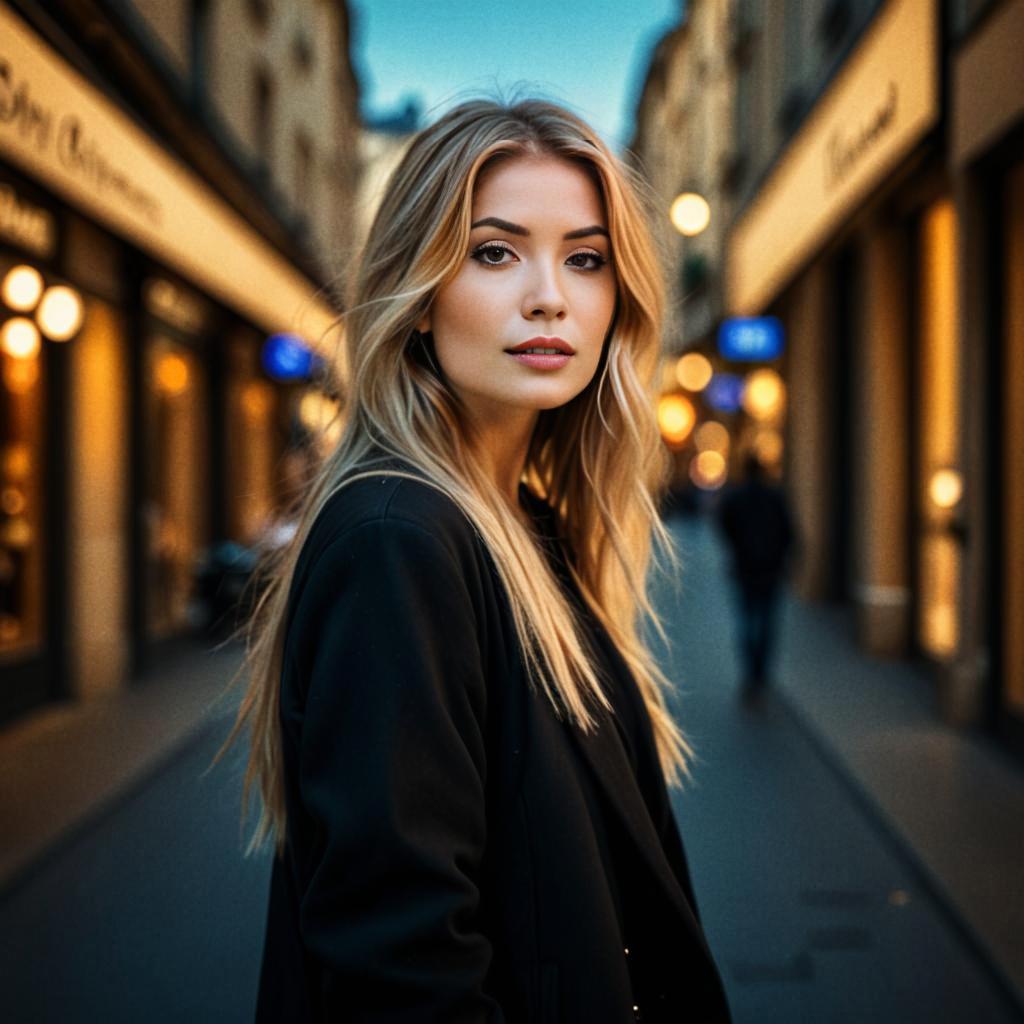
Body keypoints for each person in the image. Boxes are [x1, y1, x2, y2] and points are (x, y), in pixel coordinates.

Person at [219, 98, 732, 1023]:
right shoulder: (397, 541)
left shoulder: (521, 522)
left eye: (586, 258)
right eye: (494, 252)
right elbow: (403, 973)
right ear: (416, 298)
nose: (550, 295)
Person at [716, 451, 796, 698]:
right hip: (770, 570)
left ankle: (751, 674)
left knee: (748, 621)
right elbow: (789, 531)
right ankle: (761, 674)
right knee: (766, 622)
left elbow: (724, 525)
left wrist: (737, 549)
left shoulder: (736, 498)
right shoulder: (774, 496)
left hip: (745, 569)